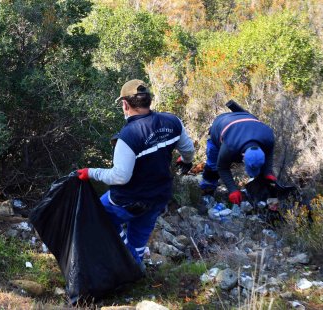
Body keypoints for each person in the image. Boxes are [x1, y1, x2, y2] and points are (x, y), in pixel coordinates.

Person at [76, 79, 195, 264]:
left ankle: (121, 255)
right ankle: (134, 268)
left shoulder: (128, 136)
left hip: (128, 199)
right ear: (148, 101)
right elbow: (188, 150)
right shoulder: (172, 121)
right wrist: (186, 162)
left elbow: (120, 177)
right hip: (158, 196)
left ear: (125, 104)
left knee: (98, 216)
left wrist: (91, 172)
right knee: (139, 238)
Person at [199, 110, 276, 204]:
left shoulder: (268, 137)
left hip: (245, 120)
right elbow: (222, 167)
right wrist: (233, 190)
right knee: (213, 165)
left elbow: (269, 152)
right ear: (243, 156)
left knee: (260, 173)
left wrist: (268, 171)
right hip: (221, 123)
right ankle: (208, 187)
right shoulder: (230, 146)